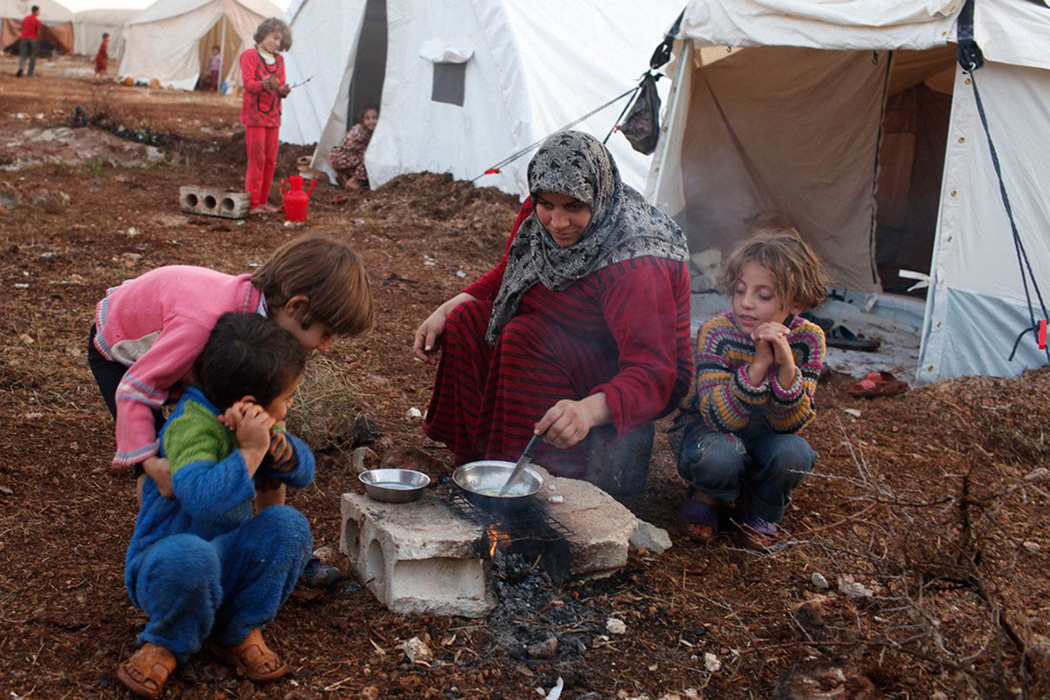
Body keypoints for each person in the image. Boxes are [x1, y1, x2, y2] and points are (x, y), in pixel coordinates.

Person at [414, 130, 693, 478]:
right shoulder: (536, 212)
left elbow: (655, 373)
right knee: (467, 320)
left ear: (598, 194)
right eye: (548, 205)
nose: (558, 223)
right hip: (564, 335)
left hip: (626, 367)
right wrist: (451, 305)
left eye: (574, 206)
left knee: (523, 337)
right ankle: (476, 467)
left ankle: (534, 478)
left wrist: (587, 412)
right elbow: (511, 270)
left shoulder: (634, 262)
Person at [87, 232, 374, 503]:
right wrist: (147, 461)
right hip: (125, 352)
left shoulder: (265, 329)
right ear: (296, 307)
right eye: (326, 334)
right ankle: (153, 543)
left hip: (192, 356)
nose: (325, 346)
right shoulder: (202, 324)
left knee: (263, 428)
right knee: (165, 461)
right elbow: (136, 388)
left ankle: (268, 540)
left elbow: (270, 423)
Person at [115, 312, 314, 699]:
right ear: (252, 402)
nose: (287, 408)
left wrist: (273, 445)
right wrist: (250, 451)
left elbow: (303, 472)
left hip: (227, 557)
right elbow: (208, 504)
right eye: (288, 398)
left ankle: (235, 629)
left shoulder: (260, 423)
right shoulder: (192, 425)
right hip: (167, 563)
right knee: (193, 556)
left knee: (289, 525)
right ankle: (166, 641)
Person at [672, 228, 829, 549]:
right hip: (711, 431)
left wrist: (786, 367)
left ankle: (757, 506)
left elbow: (792, 425)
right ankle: (707, 494)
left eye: (764, 295)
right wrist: (757, 368)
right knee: (720, 454)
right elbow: (719, 419)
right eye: (740, 291)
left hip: (767, 437)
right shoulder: (717, 333)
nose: (745, 304)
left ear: (795, 301)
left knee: (795, 452)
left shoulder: (809, 340)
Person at [239, 18, 292, 215]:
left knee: (270, 160)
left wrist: (282, 90)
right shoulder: (250, 55)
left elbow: (278, 88)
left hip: (273, 115)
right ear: (263, 35)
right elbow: (248, 85)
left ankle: (262, 201)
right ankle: (252, 203)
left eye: (280, 40)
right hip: (255, 115)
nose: (277, 43)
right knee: (257, 159)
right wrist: (265, 84)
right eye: (275, 38)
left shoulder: (279, 60)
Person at [330, 104, 379, 191]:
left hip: (342, 158)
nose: (372, 121)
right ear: (362, 120)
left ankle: (344, 177)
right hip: (342, 157)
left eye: (375, 118)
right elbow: (362, 151)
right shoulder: (360, 131)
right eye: (367, 119)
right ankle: (354, 181)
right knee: (368, 161)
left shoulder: (366, 131)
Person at [15, 6, 41, 78]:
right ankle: (30, 73)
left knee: (23, 54)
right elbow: (38, 31)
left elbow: (21, 27)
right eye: (38, 11)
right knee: (32, 55)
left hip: (23, 38)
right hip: (32, 38)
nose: (39, 12)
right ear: (35, 11)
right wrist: (37, 40)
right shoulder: (37, 21)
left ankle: (21, 67)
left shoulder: (25, 19)